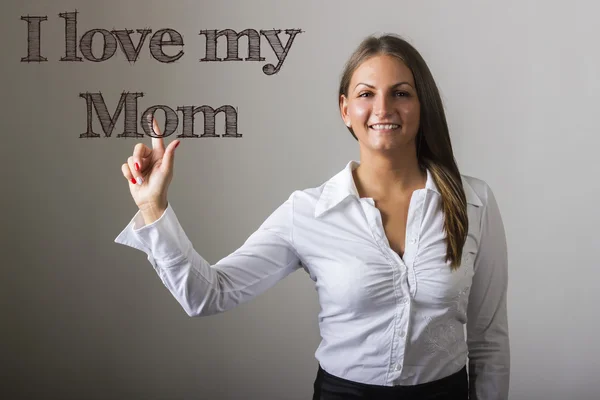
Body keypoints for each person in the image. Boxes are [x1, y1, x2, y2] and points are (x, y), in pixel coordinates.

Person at [115, 33, 509, 400]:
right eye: (366, 94)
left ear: (422, 104)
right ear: (345, 110)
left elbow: (488, 339)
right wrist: (153, 206)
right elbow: (208, 294)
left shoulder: (474, 203)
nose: (383, 109)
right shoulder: (307, 212)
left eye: (401, 93)